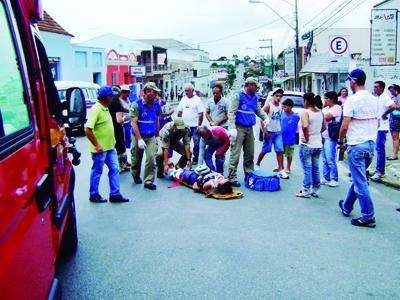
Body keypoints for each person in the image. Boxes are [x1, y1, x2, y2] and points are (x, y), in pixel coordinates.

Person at [337, 69, 378, 228]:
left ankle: (368, 216)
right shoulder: (374, 99)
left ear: (353, 81)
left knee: (360, 181)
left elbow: (344, 126)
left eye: (350, 81)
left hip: (356, 145)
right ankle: (347, 206)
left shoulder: (351, 101)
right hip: (370, 144)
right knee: (359, 177)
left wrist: (340, 142)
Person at [85, 86, 129, 203]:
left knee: (114, 169)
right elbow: (88, 129)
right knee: (97, 171)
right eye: (111, 95)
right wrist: (97, 145)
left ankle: (115, 193)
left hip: (110, 147)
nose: (113, 97)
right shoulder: (96, 109)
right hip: (100, 149)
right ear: (107, 97)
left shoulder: (105, 108)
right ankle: (93, 194)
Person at [228, 77, 269, 187]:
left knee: (249, 153)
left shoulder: (254, 97)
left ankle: (249, 173)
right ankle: (232, 176)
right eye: (255, 86)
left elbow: (258, 110)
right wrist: (232, 128)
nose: (256, 89)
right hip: (238, 128)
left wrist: (265, 117)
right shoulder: (238, 96)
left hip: (249, 128)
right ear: (250, 85)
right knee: (235, 153)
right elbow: (231, 113)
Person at [130, 82, 161, 190]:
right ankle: (135, 173)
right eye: (154, 92)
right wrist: (139, 139)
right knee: (136, 159)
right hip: (138, 135)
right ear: (147, 92)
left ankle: (148, 180)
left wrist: (157, 134)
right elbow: (133, 123)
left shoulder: (157, 104)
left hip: (151, 136)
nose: (156, 95)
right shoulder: (136, 104)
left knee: (151, 158)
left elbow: (156, 118)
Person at [296, 93, 326, 198]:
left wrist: (307, 137)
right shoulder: (320, 112)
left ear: (306, 101)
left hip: (307, 145)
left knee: (307, 168)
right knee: (315, 168)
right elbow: (324, 127)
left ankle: (305, 189)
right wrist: (316, 132)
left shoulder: (305, 113)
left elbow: (305, 126)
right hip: (318, 144)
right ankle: (316, 189)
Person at [256, 88, 289, 179]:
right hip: (269, 131)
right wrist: (265, 131)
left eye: (280, 96)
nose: (278, 98)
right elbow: (262, 119)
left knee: (280, 150)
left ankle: (281, 169)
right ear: (273, 96)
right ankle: (257, 164)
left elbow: (280, 118)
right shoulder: (268, 106)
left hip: (277, 131)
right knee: (265, 150)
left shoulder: (280, 106)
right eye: (277, 96)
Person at [371, 81, 395, 181]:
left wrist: (384, 114)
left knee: (380, 149)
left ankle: (380, 171)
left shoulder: (385, 97)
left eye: (376, 87)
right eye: (374, 87)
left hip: (382, 128)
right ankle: (377, 169)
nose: (374, 89)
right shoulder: (377, 97)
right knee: (377, 149)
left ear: (381, 88)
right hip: (376, 127)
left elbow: (393, 106)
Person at [177, 83, 205, 165]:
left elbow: (201, 114)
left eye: (188, 91)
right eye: (185, 91)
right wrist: (180, 124)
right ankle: (187, 157)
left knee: (196, 143)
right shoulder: (183, 99)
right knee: (186, 143)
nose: (186, 92)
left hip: (195, 126)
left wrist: (199, 125)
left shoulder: (198, 100)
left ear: (192, 90)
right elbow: (179, 112)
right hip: (185, 126)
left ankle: (195, 158)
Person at [321, 91, 342, 187]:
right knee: (324, 159)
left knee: (330, 158)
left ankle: (334, 178)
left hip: (331, 137)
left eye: (326, 98)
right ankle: (326, 177)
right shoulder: (325, 108)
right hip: (323, 136)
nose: (325, 100)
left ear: (332, 99)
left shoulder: (337, 108)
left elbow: (326, 117)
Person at [108, 86, 129, 172]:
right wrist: (124, 118)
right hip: (117, 128)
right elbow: (119, 120)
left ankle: (116, 165)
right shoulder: (117, 103)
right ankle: (122, 165)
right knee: (120, 146)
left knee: (113, 147)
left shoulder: (107, 103)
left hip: (109, 127)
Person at [167, 168, 233, 194]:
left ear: (219, 185)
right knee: (183, 170)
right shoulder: (220, 179)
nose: (222, 178)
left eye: (223, 180)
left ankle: (171, 171)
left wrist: (198, 179)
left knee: (176, 173)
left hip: (193, 178)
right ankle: (179, 170)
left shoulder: (210, 184)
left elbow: (195, 187)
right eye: (225, 178)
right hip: (201, 172)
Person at [280, 98, 300, 174]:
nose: (284, 108)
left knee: (289, 154)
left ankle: (288, 167)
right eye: (283, 107)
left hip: (291, 138)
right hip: (281, 137)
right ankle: (281, 166)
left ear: (291, 107)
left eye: (285, 107)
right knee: (280, 152)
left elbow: (298, 126)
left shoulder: (296, 116)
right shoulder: (282, 114)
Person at [388, 84, 400, 160]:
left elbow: (399, 107)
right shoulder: (393, 97)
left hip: (397, 118)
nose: (391, 92)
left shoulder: (398, 97)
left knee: (395, 138)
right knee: (395, 138)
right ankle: (394, 153)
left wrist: (392, 106)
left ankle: (394, 155)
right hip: (394, 117)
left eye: (392, 91)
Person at [120, 85, 133, 150]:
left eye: (128, 92)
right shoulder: (119, 101)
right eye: (126, 92)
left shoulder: (128, 99)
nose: (128, 94)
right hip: (123, 122)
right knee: (125, 136)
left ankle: (128, 148)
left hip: (129, 122)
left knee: (129, 136)